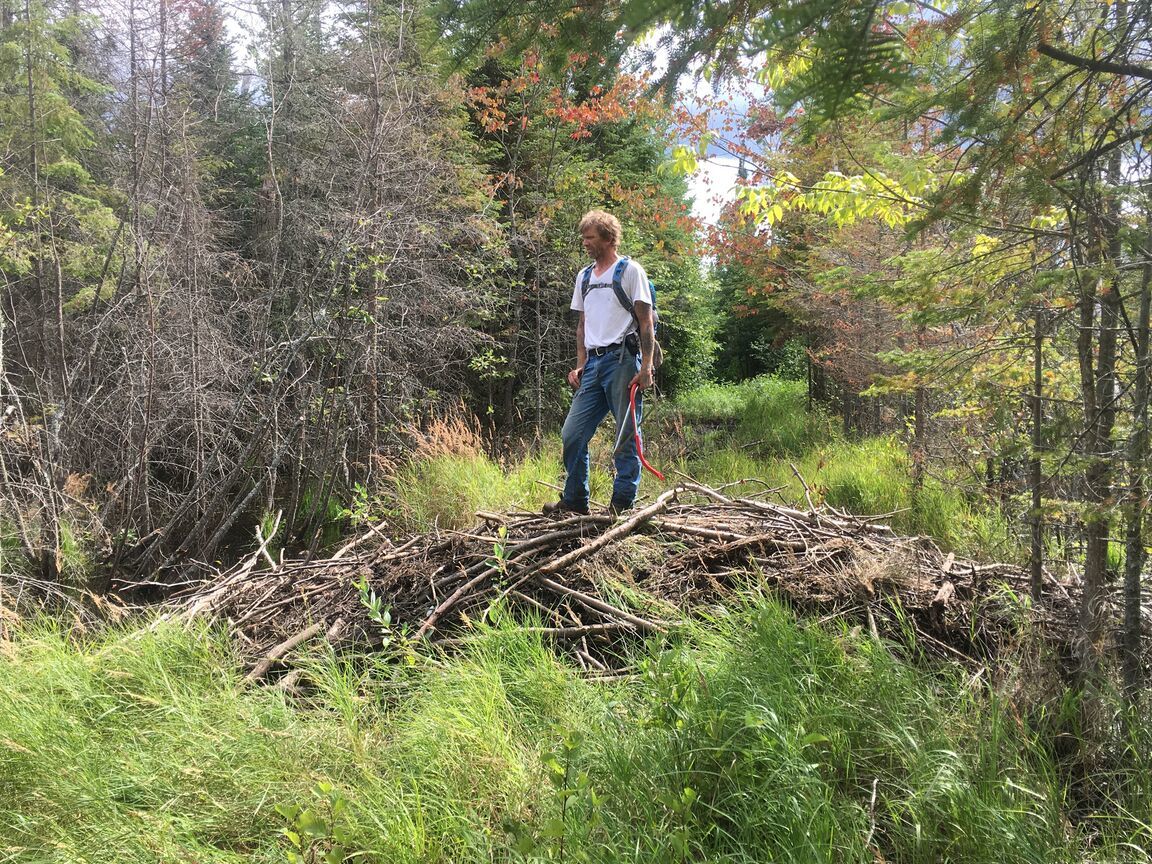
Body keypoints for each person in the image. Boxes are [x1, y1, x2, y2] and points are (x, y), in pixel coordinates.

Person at [546, 210, 656, 516]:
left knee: (626, 434)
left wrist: (645, 366)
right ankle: (576, 501)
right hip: (593, 365)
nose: (585, 242)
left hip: (623, 361)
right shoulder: (583, 277)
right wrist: (581, 364)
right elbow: (583, 325)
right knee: (572, 434)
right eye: (584, 236)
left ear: (608, 238)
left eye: (590, 237)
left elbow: (646, 323)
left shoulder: (630, 271)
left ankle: (621, 504)